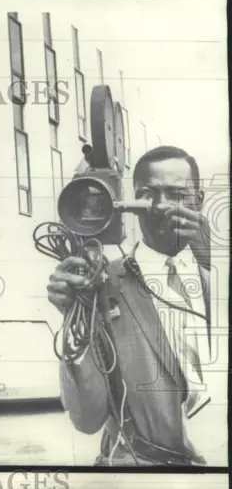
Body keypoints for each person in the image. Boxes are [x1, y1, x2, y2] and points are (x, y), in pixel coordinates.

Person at [47, 146, 212, 466]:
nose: (162, 206)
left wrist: (213, 265)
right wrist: (74, 319)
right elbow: (86, 419)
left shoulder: (218, 274)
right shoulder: (102, 284)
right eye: (148, 194)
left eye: (177, 194)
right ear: (131, 202)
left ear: (199, 201)